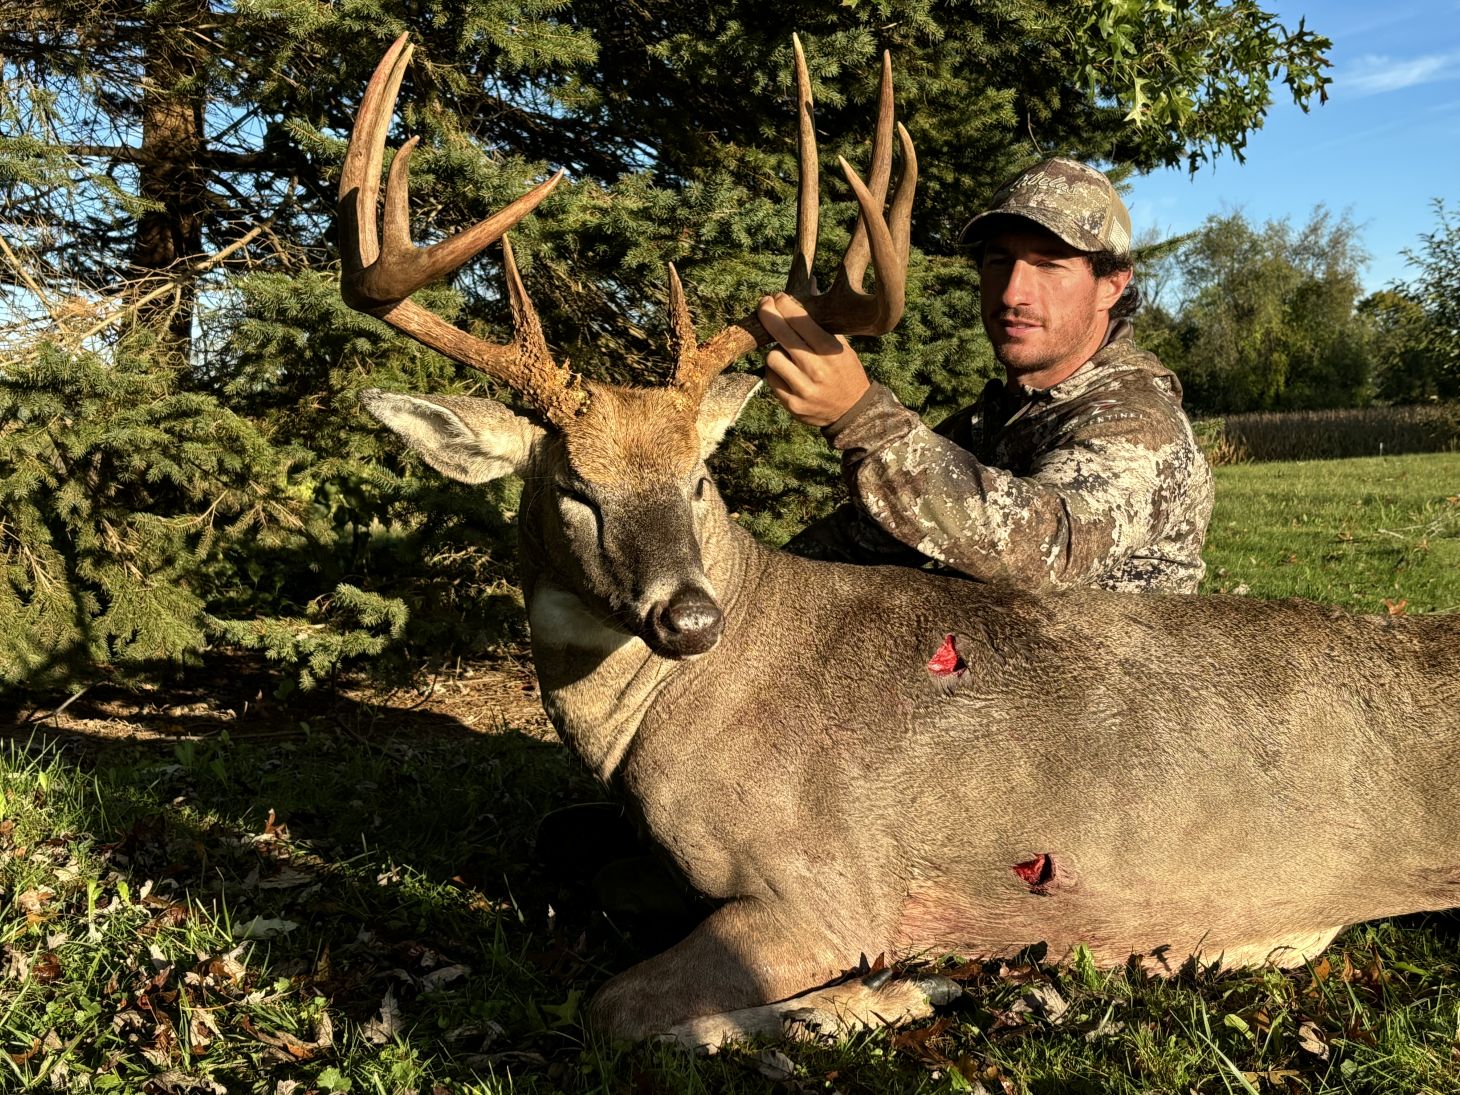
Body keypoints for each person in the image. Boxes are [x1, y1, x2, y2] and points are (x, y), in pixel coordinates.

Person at [757, 157, 1214, 595]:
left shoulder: (1142, 424)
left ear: (1111, 286)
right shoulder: (993, 423)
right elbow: (867, 539)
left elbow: (1049, 551)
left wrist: (861, 418)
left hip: (1108, 671)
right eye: (999, 262)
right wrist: (752, 588)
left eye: (1050, 265)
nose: (1014, 291)